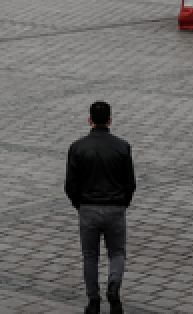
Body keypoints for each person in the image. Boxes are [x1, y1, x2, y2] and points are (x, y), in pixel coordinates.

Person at [66, 101, 135, 314]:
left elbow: (70, 185)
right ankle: (114, 286)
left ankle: (93, 301)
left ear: (90, 120)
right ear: (110, 120)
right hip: (115, 208)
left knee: (90, 256)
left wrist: (80, 204)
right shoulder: (122, 147)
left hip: (88, 208)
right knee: (117, 252)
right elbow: (130, 183)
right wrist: (122, 203)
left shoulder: (77, 148)